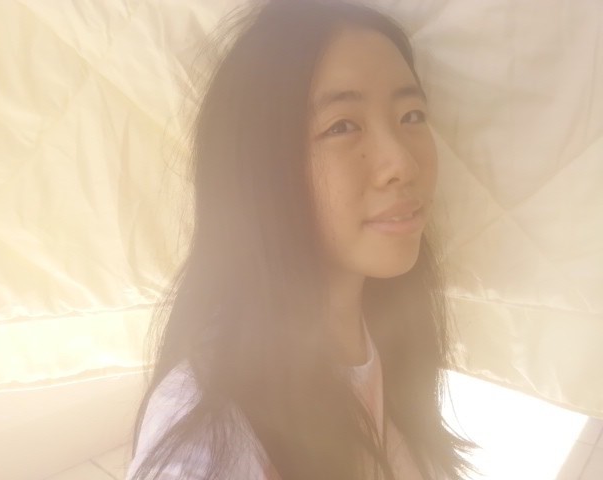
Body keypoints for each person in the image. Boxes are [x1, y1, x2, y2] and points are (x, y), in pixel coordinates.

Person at [126, 0, 476, 479]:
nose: (402, 163)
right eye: (342, 126)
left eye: (411, 115)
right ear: (261, 170)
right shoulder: (210, 423)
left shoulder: (388, 328)